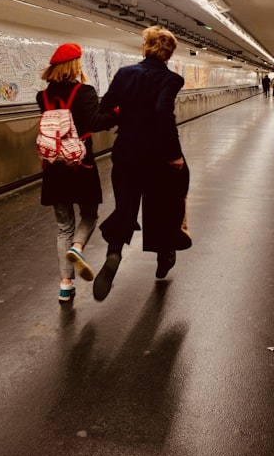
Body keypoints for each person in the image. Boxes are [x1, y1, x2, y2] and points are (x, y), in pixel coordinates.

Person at [94, 25, 192, 301]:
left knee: (126, 205)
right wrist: (174, 153)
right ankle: (165, 253)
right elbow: (163, 114)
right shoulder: (171, 79)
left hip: (126, 150)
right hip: (157, 155)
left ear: (146, 47)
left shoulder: (125, 74)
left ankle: (114, 251)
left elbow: (106, 108)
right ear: (169, 52)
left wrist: (125, 115)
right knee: (164, 202)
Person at [37, 43, 118, 305]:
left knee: (63, 226)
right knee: (90, 214)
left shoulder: (43, 96)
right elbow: (95, 122)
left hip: (53, 168)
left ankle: (65, 286)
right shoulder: (84, 92)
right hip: (80, 165)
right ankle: (78, 247)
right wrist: (117, 113)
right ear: (74, 65)